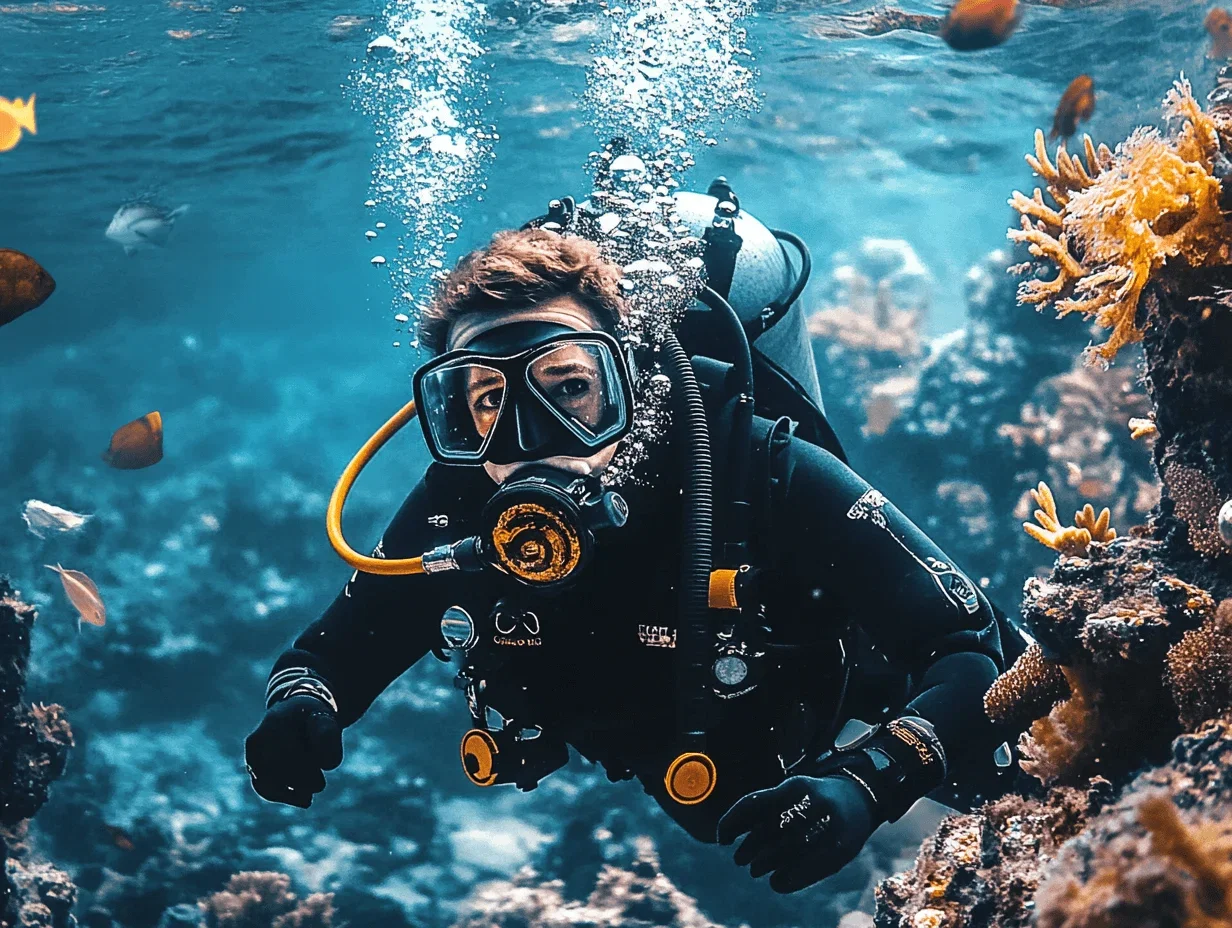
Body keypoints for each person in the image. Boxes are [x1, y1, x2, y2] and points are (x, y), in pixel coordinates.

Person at [244, 214, 1012, 894]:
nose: (530, 437)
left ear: (630, 383)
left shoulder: (751, 464)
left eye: (569, 387)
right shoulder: (461, 499)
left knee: (1063, 775)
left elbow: (973, 647)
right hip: (691, 762)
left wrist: (870, 781)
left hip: (848, 690)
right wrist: (302, 708)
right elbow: (325, 656)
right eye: (486, 401)